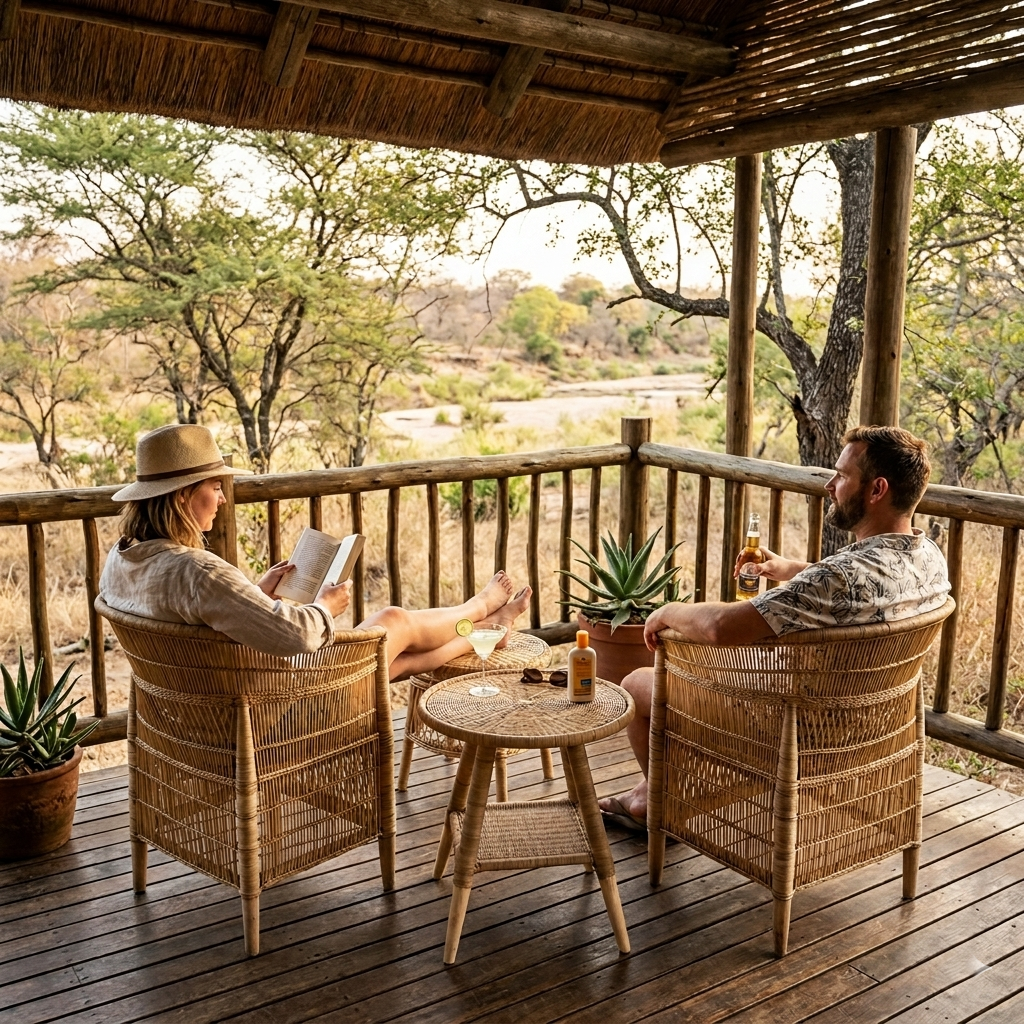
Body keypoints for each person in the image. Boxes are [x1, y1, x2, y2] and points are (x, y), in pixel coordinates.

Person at [599, 425, 951, 832]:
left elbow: (719, 628)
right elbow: (854, 585)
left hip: (794, 734)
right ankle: (652, 794)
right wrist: (791, 570)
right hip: (874, 731)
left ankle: (656, 801)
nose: (830, 485)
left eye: (841, 476)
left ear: (877, 490)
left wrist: (669, 611)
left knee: (640, 683)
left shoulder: (837, 578)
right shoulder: (928, 558)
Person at [99, 424, 531, 678]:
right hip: (275, 708)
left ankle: (487, 627)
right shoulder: (196, 570)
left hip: (208, 704)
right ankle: (480, 611)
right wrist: (325, 604)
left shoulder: (120, 560)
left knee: (389, 658)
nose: (223, 499)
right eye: (215, 488)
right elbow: (299, 636)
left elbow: (193, 618)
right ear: (181, 498)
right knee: (393, 621)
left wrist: (257, 593)